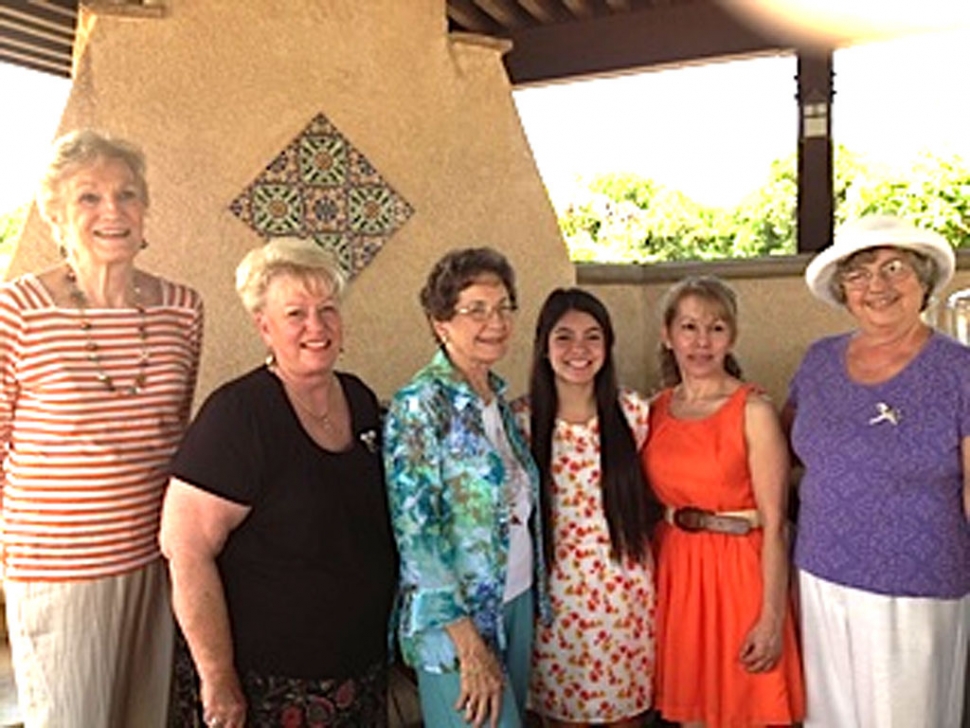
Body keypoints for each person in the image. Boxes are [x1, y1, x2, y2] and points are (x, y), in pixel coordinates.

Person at [0, 129, 204, 727]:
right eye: (88, 197)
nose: (112, 210)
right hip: (59, 567)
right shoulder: (18, 311)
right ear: (55, 212)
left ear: (145, 211)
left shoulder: (183, 309)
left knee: (148, 717)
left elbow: (173, 433)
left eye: (128, 194)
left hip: (156, 558)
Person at [159, 237, 397, 727]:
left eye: (328, 309)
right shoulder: (237, 416)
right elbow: (185, 550)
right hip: (266, 685)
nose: (316, 326)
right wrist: (218, 678)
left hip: (357, 674)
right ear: (263, 326)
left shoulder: (358, 399)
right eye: (296, 313)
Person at [784, 214, 970, 727]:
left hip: (915, 588)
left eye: (895, 268)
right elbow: (790, 447)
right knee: (829, 717)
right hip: (822, 573)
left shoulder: (959, 370)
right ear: (844, 290)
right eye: (859, 273)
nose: (877, 285)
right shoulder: (818, 362)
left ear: (925, 281)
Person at [384, 246, 548, 728]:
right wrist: (467, 642)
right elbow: (418, 538)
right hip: (457, 621)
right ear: (441, 322)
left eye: (503, 307)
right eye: (475, 309)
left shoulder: (494, 396)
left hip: (514, 597)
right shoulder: (421, 405)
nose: (494, 322)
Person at [641, 276, 804, 727]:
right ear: (667, 335)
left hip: (740, 575)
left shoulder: (753, 410)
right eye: (689, 327)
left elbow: (776, 524)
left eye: (715, 328)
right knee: (690, 713)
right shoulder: (652, 411)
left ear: (731, 336)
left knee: (745, 708)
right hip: (676, 572)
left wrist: (771, 617)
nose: (701, 341)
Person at [513, 288, 661, 728]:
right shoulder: (520, 421)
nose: (579, 349)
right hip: (555, 603)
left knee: (626, 717)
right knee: (562, 717)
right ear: (543, 346)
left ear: (608, 345)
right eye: (564, 337)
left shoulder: (635, 414)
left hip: (625, 598)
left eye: (592, 336)